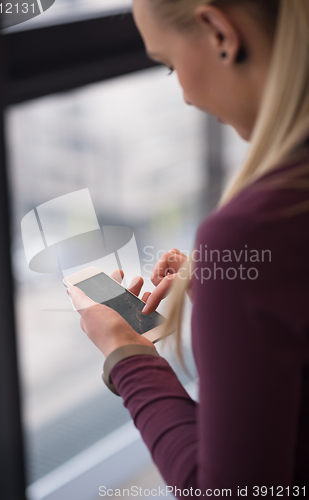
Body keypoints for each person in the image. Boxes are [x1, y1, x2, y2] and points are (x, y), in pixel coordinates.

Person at [68, 0, 309, 495]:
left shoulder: (255, 229)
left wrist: (126, 352)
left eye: (171, 65)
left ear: (220, 32)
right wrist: (243, 298)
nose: (184, 95)